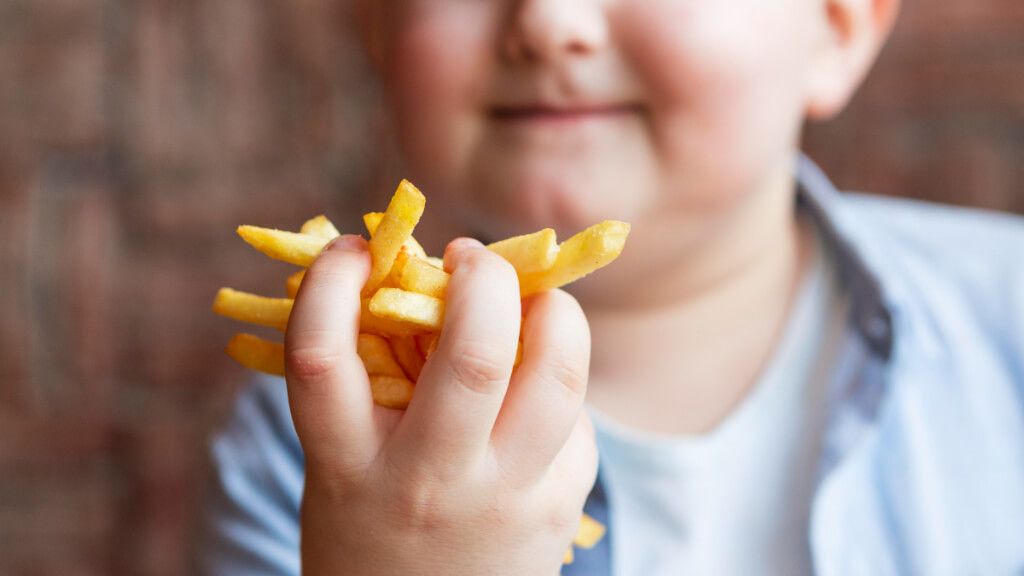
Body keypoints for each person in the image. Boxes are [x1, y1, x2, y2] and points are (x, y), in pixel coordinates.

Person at [197, 0, 1024, 574]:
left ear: (834, 32)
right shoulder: (311, 432)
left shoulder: (1006, 317)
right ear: (376, 29)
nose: (548, 24)